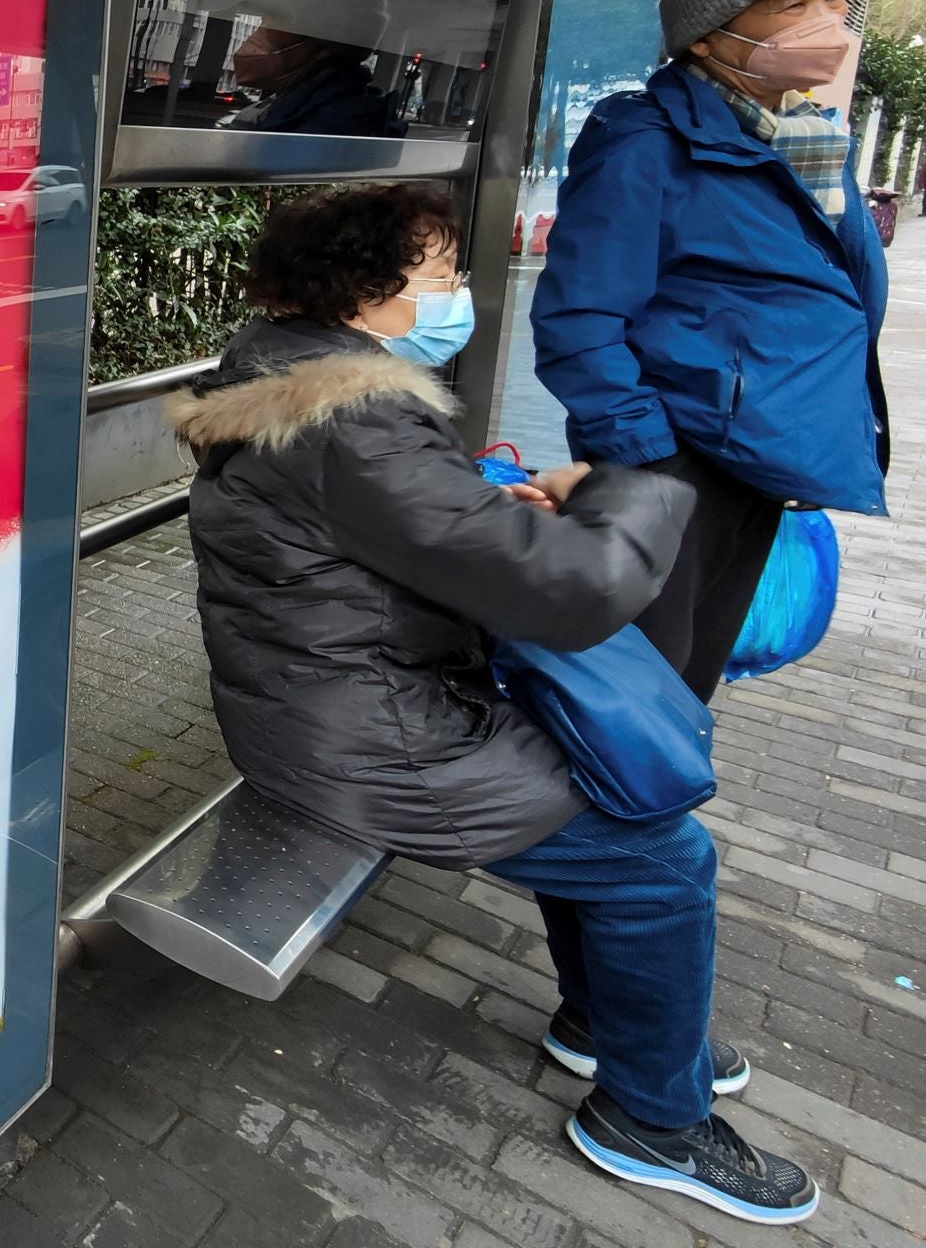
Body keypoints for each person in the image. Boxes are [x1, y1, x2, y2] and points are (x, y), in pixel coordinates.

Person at [167, 183, 819, 1226]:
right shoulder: (355, 420)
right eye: (439, 274)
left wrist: (477, 506)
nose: (456, 292)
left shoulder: (283, 371)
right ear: (363, 291)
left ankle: (610, 1022)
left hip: (338, 706)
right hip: (375, 741)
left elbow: (381, 527)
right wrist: (622, 487)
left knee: (594, 795)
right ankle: (653, 1118)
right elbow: (568, 590)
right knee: (662, 856)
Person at [533, 0, 890, 701]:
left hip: (756, 461)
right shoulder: (646, 143)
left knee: (688, 680)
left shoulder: (807, 140)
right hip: (680, 458)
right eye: (792, 4)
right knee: (636, 690)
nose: (826, 24)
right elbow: (578, 319)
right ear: (706, 35)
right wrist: (647, 456)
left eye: (835, 0)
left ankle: (658, 786)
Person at [223, 0, 408, 138]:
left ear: (324, 38)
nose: (262, 28)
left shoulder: (330, 129)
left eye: (274, 18)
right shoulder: (303, 109)